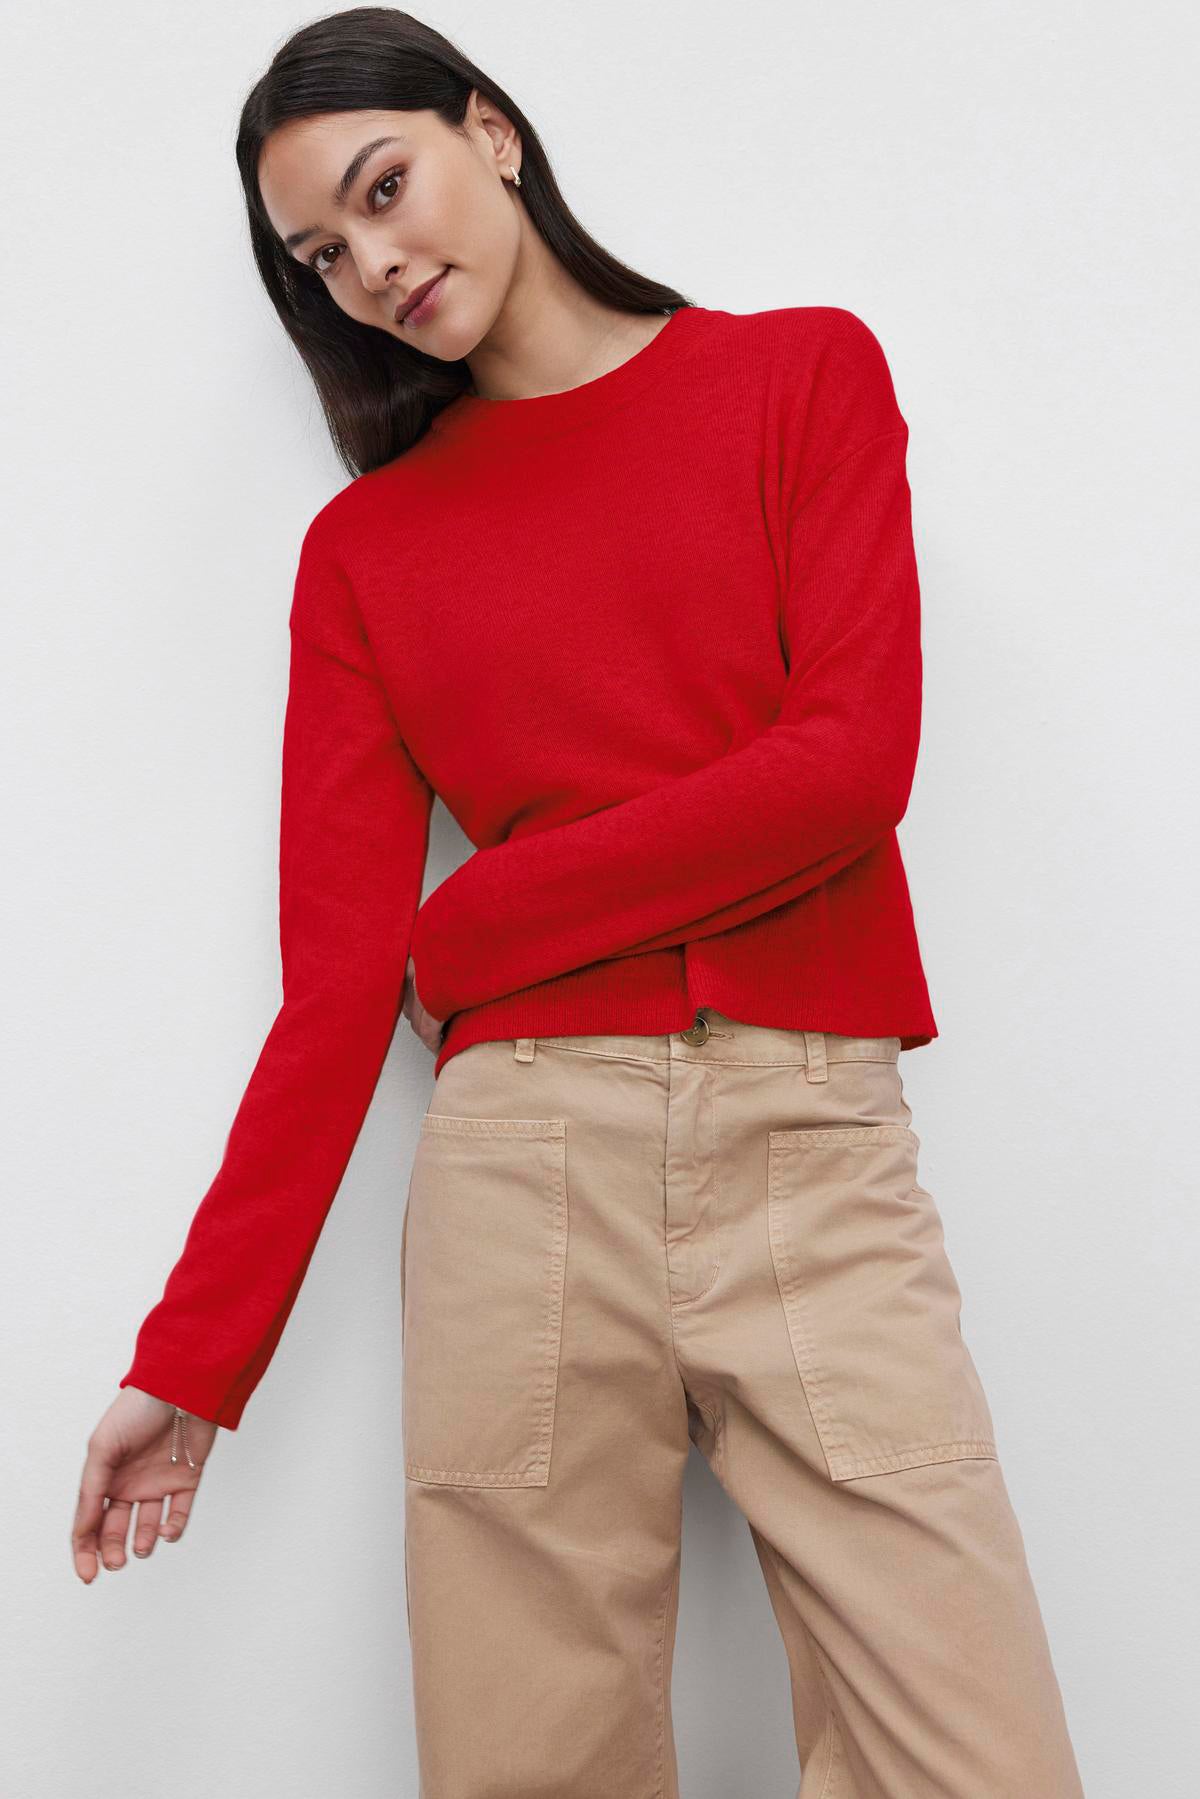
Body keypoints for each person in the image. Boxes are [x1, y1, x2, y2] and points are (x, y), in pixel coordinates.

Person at [70, 9, 1086, 1794]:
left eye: (386, 191)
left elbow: (848, 768)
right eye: (324, 255)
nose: (375, 265)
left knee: (974, 1756)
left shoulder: (799, 379)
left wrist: (477, 927)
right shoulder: (367, 554)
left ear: (495, 133)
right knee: (526, 1768)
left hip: (808, 1142)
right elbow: (331, 998)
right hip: (519, 1193)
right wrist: (192, 1363)